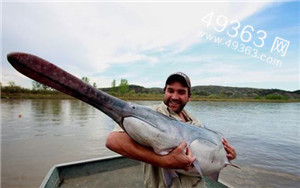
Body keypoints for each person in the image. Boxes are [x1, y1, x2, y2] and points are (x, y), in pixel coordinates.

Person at [106, 72, 237, 188]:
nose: (174, 97)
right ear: (165, 92)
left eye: (181, 92)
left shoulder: (196, 123)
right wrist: (163, 161)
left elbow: (212, 159)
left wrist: (228, 156)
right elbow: (113, 141)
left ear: (189, 97)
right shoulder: (148, 114)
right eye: (170, 90)